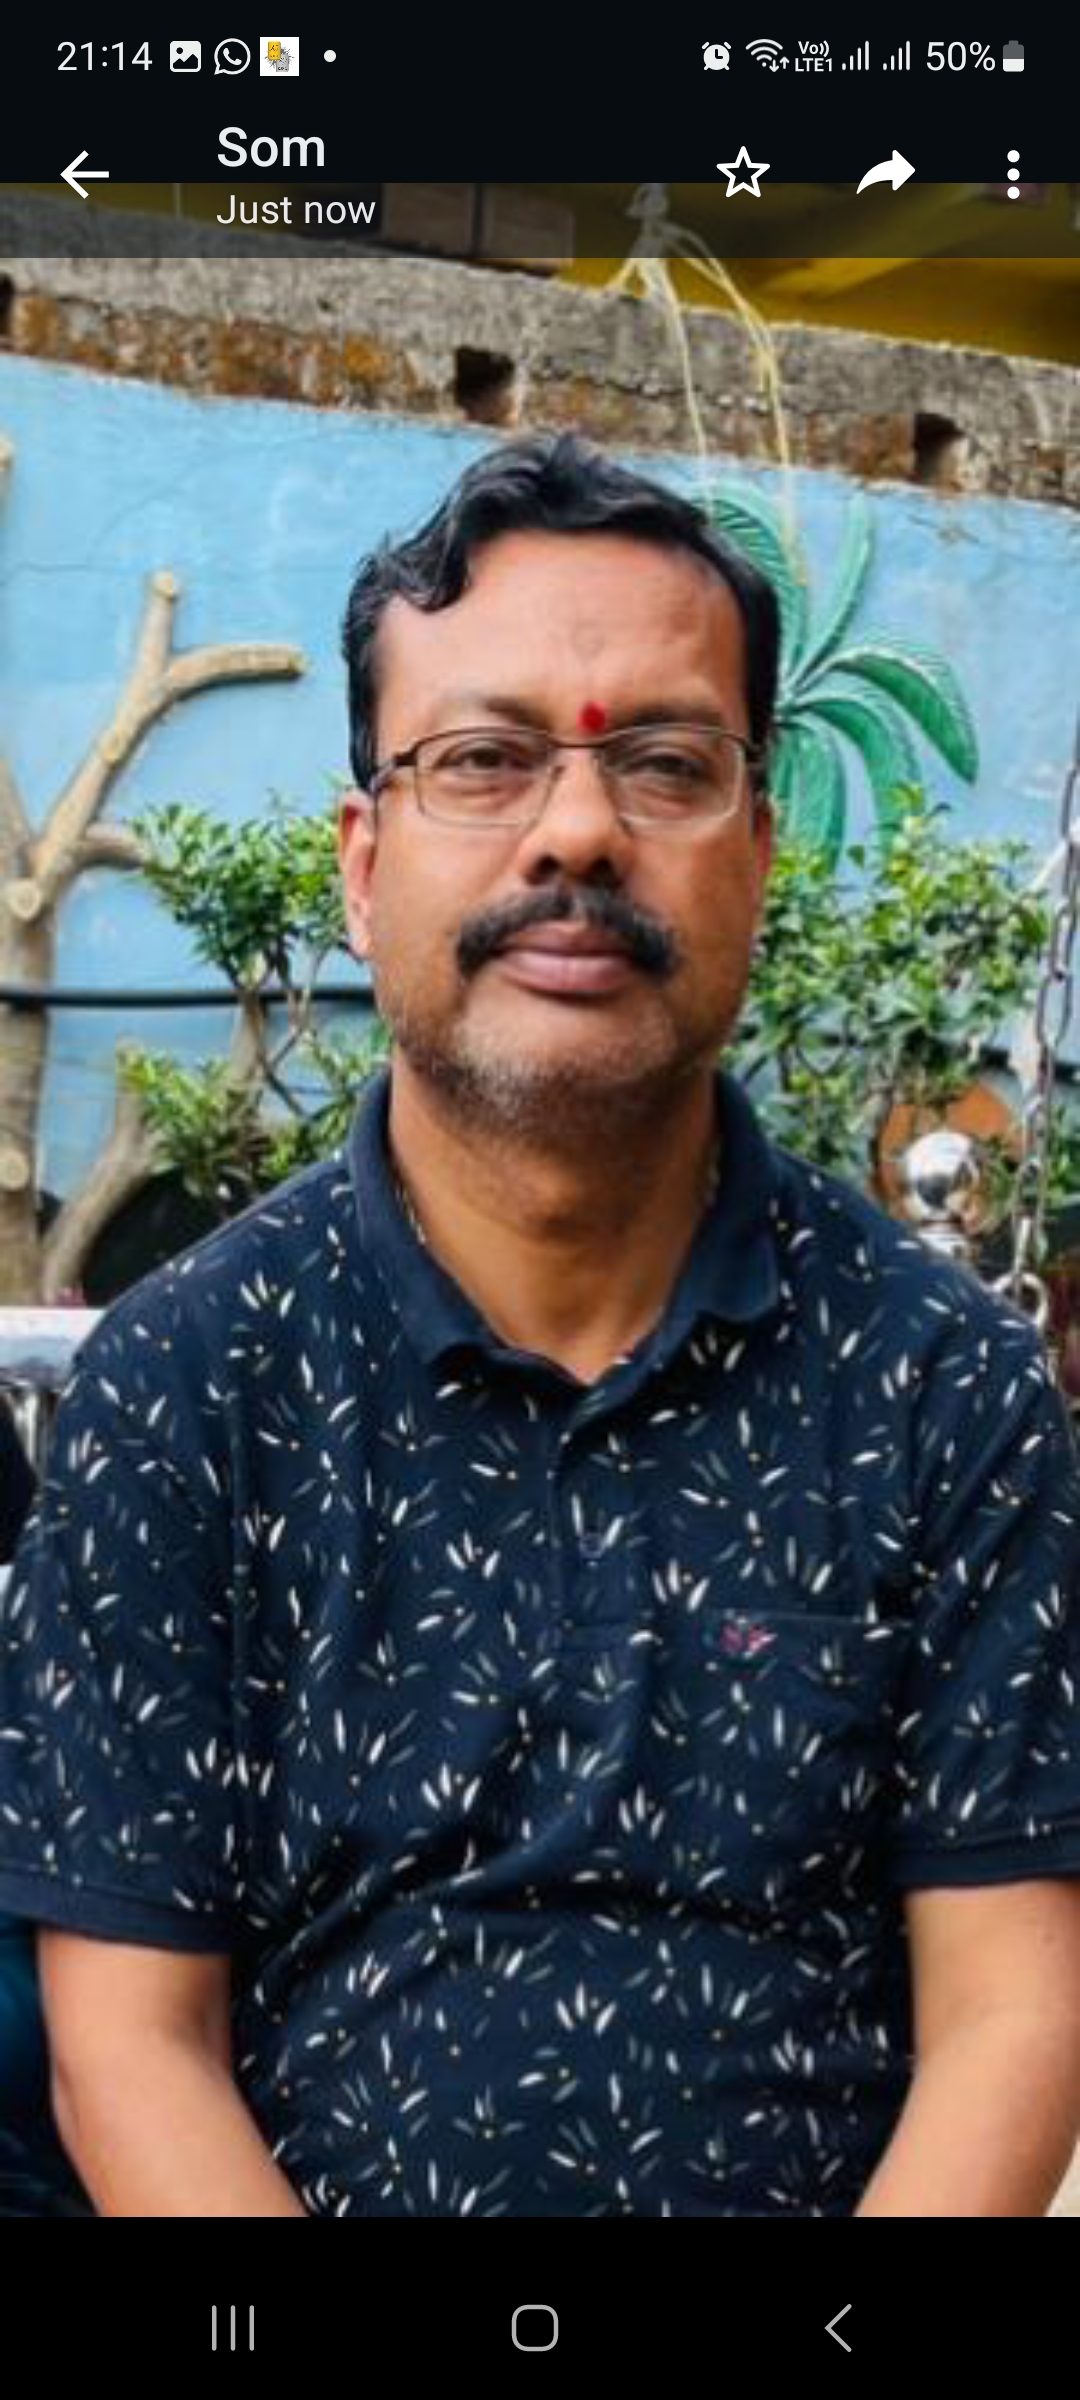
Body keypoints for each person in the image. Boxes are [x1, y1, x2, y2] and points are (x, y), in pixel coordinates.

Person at [1, 432, 1079, 2219]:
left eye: (665, 763)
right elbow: (130, 2042)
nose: (577, 831)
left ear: (757, 854)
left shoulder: (940, 1387)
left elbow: (1014, 2015)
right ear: (364, 867)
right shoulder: (185, 1386)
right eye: (484, 761)